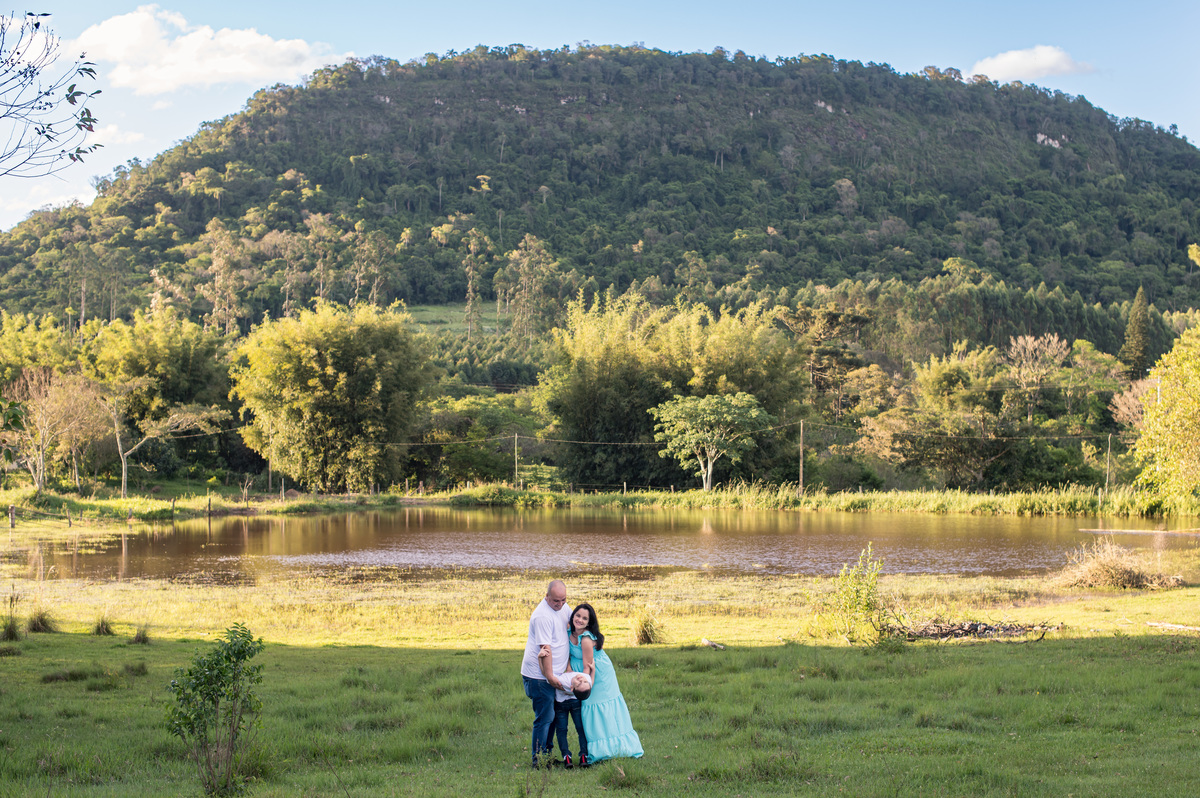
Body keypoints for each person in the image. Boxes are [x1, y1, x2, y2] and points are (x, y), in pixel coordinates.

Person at [567, 602, 644, 761]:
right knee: (591, 711)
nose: (580, 620)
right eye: (578, 615)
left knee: (599, 707)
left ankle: (618, 748)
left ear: (589, 622)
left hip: (597, 674)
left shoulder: (586, 639)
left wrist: (585, 686)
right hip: (580, 672)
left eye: (584, 618)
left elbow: (587, 668)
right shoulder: (568, 630)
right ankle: (600, 749)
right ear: (573, 615)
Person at [520, 579, 571, 767]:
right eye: (556, 601)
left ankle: (547, 756)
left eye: (563, 600)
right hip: (539, 676)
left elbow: (570, 624)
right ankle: (538, 760)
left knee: (552, 716)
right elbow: (546, 649)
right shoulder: (542, 616)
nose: (560, 604)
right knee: (545, 717)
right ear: (546, 596)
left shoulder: (563, 608)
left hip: (553, 674)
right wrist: (550, 677)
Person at [548, 671, 592, 768]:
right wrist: (592, 670)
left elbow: (550, 678)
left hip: (560, 704)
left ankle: (566, 756)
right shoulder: (587, 678)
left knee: (561, 731)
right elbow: (590, 680)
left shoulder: (563, 681)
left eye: (580, 683)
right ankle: (584, 755)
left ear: (572, 688)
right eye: (583, 682)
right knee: (581, 729)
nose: (581, 680)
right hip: (576, 702)